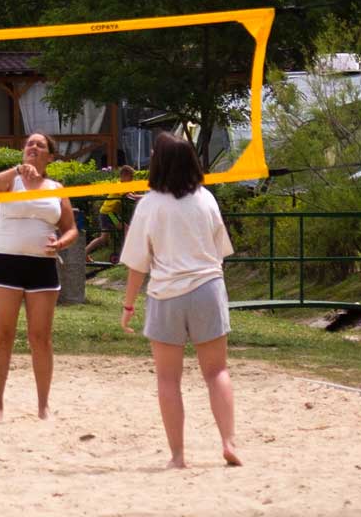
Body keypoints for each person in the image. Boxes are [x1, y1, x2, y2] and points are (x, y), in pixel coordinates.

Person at [121, 131, 241, 469]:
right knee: (217, 371)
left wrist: (128, 306)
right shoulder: (206, 199)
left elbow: (137, 264)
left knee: (168, 379)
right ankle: (228, 442)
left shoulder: (149, 205)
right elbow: (220, 251)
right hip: (207, 288)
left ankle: (178, 455)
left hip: (166, 294)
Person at [0, 131, 78, 421]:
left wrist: (62, 242)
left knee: (40, 337)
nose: (33, 147)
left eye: (40, 145)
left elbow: (70, 227)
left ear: (50, 155)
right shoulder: (12, 180)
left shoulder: (56, 188)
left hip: (42, 266)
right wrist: (16, 170)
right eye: (29, 144)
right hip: (6, 262)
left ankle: (43, 405)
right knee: (2, 336)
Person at [84, 165, 140, 262]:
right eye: (131, 177)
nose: (132, 180)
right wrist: (146, 196)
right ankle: (128, 256)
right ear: (124, 176)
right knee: (126, 230)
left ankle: (84, 253)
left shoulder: (123, 185)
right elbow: (132, 197)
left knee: (103, 238)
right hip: (109, 213)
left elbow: (132, 194)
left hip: (106, 212)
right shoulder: (121, 186)